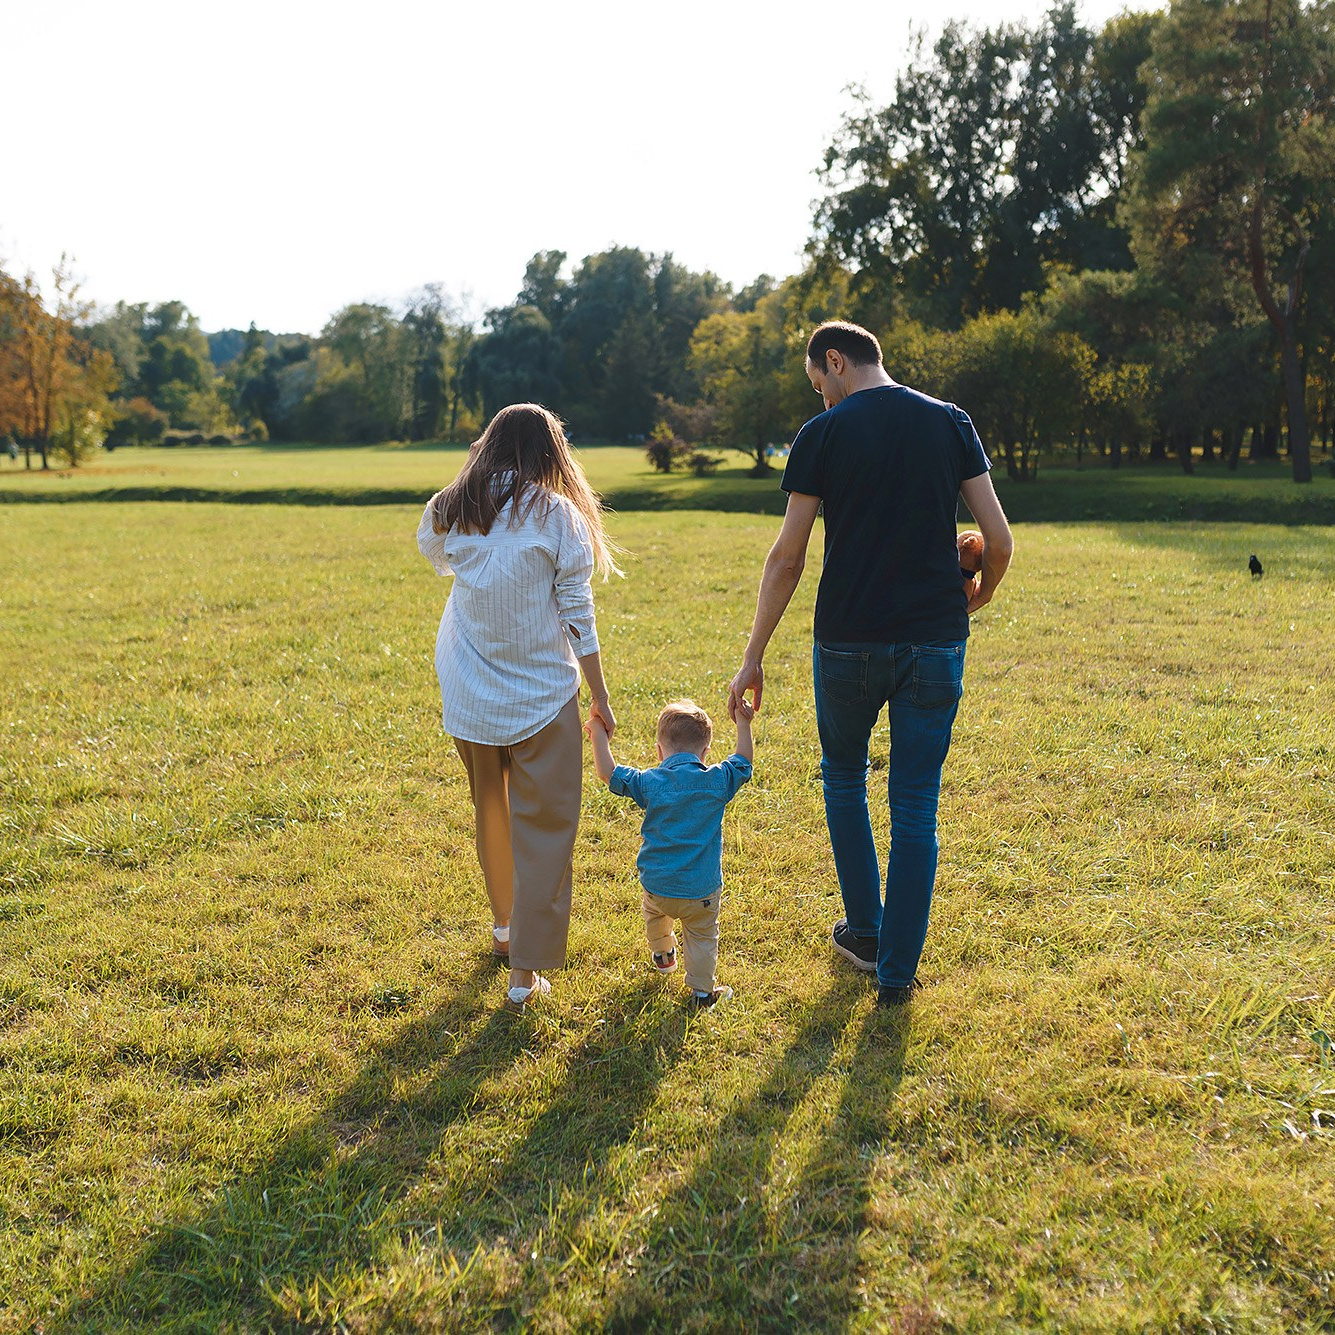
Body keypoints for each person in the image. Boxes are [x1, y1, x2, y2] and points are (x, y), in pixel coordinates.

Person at [727, 320, 1013, 1008]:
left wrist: (752, 655)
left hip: (847, 642)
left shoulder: (821, 434)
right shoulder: (950, 422)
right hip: (934, 640)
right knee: (915, 806)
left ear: (835, 361)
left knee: (843, 778)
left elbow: (787, 557)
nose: (821, 395)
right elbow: (997, 540)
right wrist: (975, 599)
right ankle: (894, 974)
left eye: (818, 381)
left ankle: (864, 929)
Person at [417, 403, 620, 1011]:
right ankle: (524, 972)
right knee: (547, 829)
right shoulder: (558, 516)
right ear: (550, 452)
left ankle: (507, 931)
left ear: (490, 443)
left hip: (468, 690)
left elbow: (439, 557)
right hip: (542, 693)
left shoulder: (448, 507)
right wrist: (601, 694)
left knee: (491, 808)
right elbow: (577, 613)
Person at [586, 696, 754, 1008]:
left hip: (657, 886)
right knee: (703, 938)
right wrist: (743, 723)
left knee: (654, 914)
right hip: (701, 891)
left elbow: (608, 773)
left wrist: (598, 733)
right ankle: (703, 994)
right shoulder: (717, 780)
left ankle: (662, 954)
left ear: (659, 750)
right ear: (705, 752)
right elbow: (743, 761)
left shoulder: (649, 782)